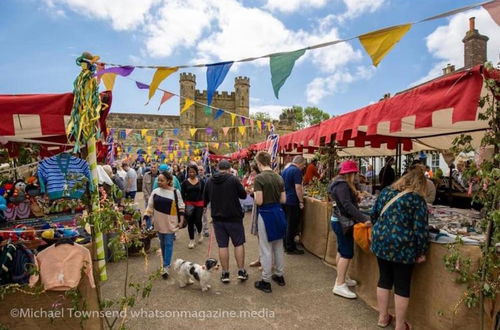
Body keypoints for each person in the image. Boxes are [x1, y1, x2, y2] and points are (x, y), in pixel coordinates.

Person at [371, 169, 429, 330]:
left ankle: (382, 317)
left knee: (384, 279)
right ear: (420, 184)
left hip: (381, 241)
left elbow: (373, 215)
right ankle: (399, 325)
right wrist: (421, 251)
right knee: (402, 285)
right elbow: (421, 229)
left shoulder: (385, 192)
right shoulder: (416, 199)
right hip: (403, 246)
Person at [329, 160, 371, 299]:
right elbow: (347, 205)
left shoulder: (339, 183)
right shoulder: (342, 185)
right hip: (343, 223)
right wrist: (363, 218)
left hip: (339, 221)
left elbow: (345, 203)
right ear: (351, 173)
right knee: (346, 253)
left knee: (341, 250)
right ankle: (339, 284)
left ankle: (341, 277)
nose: (357, 176)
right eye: (355, 173)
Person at [204, 160, 248, 283]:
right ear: (229, 169)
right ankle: (241, 271)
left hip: (218, 218)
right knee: (238, 243)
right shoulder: (233, 179)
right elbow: (243, 195)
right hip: (234, 217)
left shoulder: (210, 180)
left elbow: (205, 200)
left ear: (218, 168)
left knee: (222, 245)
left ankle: (225, 273)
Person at [253, 152, 287, 293]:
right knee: (278, 246)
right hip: (278, 212)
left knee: (265, 248)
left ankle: (265, 280)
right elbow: (283, 200)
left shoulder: (259, 178)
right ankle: (279, 275)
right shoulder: (279, 177)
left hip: (266, 214)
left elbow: (259, 201)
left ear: (259, 162)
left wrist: (253, 194)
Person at [143, 171, 185, 279]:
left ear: (169, 181)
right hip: (158, 222)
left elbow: (181, 206)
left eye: (162, 180)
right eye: (158, 180)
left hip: (171, 222)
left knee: (168, 243)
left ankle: (166, 266)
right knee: (162, 243)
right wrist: (145, 218)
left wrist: (181, 221)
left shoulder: (176, 192)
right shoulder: (155, 191)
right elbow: (150, 206)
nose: (159, 182)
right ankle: (165, 263)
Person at [281, 155, 306, 254]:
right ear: (299, 163)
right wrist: (301, 201)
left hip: (285, 199)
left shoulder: (285, 170)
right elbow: (298, 188)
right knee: (292, 224)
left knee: (287, 223)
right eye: (303, 165)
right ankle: (290, 247)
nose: (303, 167)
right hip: (292, 200)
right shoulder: (296, 171)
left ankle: (286, 244)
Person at [181, 165, 205, 249]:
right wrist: (183, 205)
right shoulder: (184, 182)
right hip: (189, 204)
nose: (191, 174)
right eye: (189, 172)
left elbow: (204, 192)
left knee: (198, 220)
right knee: (190, 222)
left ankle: (199, 232)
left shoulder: (201, 181)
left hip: (199, 203)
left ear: (196, 172)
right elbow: (182, 194)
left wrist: (204, 204)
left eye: (193, 172)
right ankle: (191, 240)